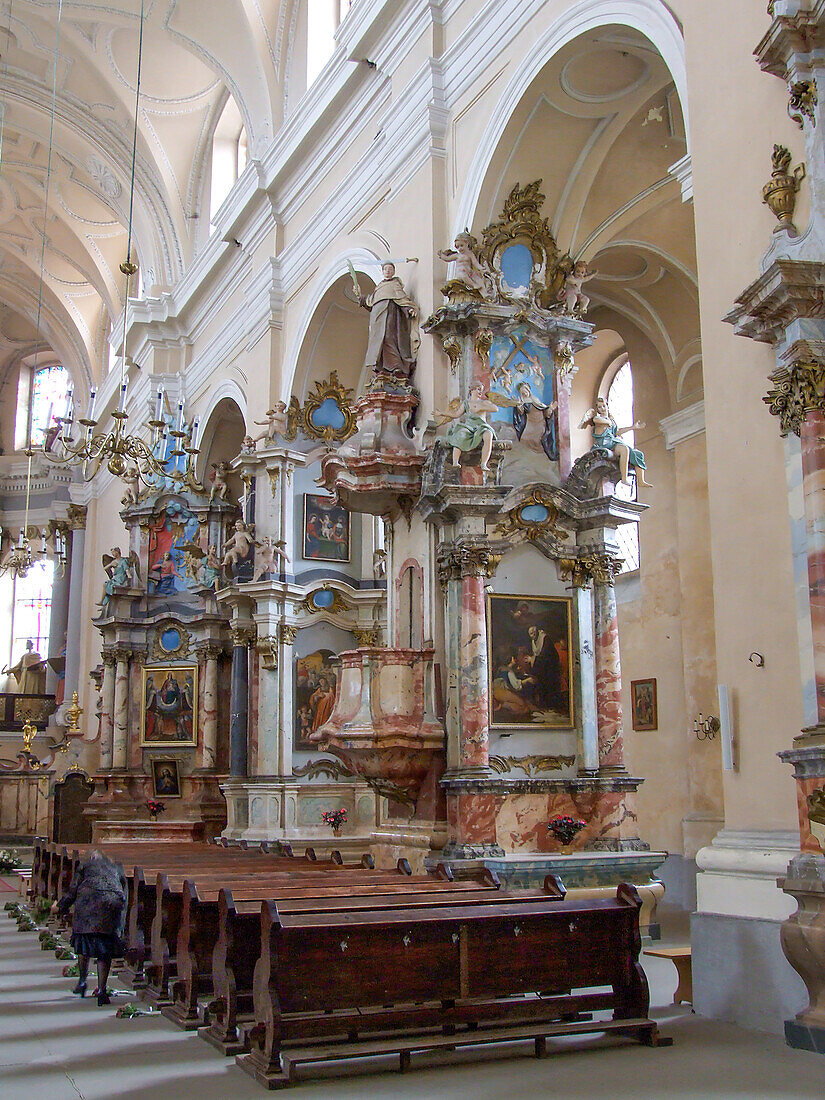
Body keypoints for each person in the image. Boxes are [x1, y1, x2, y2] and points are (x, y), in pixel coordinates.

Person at [52, 850, 127, 1006]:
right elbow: (123, 892)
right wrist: (121, 925)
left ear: (93, 858)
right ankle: (102, 991)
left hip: (88, 904)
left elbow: (73, 891)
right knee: (104, 951)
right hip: (111, 904)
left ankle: (82, 981)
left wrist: (59, 907)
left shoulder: (85, 866)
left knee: (84, 944)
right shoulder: (117, 866)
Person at [360, 262, 420, 378]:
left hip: (390, 315)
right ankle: (382, 367)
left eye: (390, 269)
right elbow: (370, 302)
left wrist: (409, 309)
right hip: (377, 320)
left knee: (389, 337)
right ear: (382, 272)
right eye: (385, 269)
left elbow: (403, 300)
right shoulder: (378, 288)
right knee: (380, 341)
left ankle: (396, 366)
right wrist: (361, 297)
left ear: (393, 272)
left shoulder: (395, 285)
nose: (387, 271)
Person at [579, 396, 652, 487]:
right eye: (599, 407)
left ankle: (640, 481)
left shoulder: (612, 421)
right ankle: (624, 478)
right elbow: (597, 420)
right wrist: (607, 422)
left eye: (603, 406)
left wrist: (633, 427)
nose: (602, 408)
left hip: (612, 442)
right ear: (597, 409)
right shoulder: (598, 419)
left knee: (638, 453)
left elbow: (617, 432)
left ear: (607, 406)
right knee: (624, 449)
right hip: (604, 443)